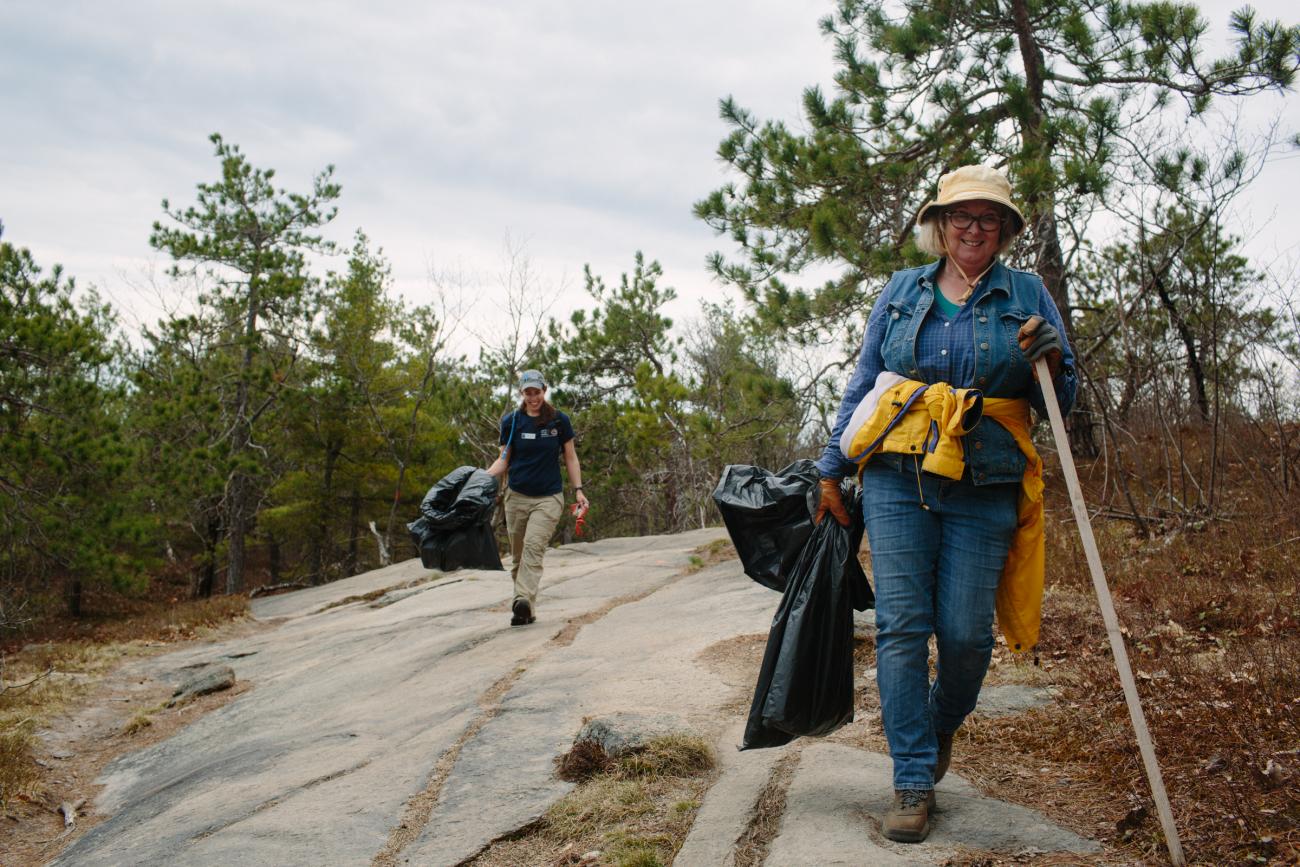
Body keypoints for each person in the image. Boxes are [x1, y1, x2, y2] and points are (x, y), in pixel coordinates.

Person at [813, 165, 1076, 843]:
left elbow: (1062, 402)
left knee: (963, 635)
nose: (973, 228)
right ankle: (911, 778)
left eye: (989, 217)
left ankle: (935, 727)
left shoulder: (1027, 293)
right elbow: (868, 380)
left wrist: (1053, 358)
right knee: (903, 627)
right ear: (940, 224)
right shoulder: (904, 290)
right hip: (900, 475)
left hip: (986, 479)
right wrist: (831, 471)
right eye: (962, 216)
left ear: (1007, 229)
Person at [486, 370, 589, 626]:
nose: (533, 397)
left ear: (545, 390)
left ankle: (521, 598)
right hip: (517, 497)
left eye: (537, 392)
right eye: (528, 392)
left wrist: (578, 489)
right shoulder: (511, 422)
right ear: (522, 393)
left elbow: (571, 457)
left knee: (533, 549)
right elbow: (503, 460)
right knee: (518, 558)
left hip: (548, 498)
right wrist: (480, 479)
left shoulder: (558, 421)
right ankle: (526, 609)